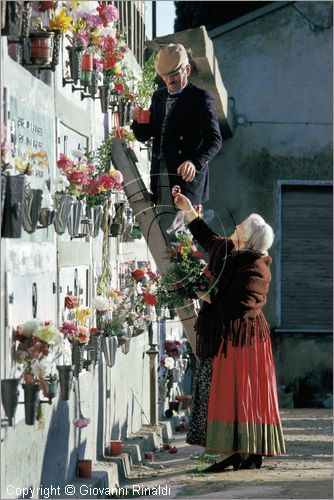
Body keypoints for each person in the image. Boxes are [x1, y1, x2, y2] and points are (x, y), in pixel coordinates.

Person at [172, 186, 286, 472]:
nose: (236, 225)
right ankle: (236, 452)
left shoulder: (256, 268)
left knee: (235, 394)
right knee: (222, 392)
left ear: (246, 237)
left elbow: (239, 303)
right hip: (225, 337)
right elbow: (206, 237)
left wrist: (202, 291)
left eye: (241, 225)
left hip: (242, 341)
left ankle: (238, 451)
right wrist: (187, 208)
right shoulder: (227, 251)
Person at [131, 43, 222, 243]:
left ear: (187, 70)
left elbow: (214, 140)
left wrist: (194, 161)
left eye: (173, 74)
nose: (169, 80)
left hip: (184, 178)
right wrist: (139, 122)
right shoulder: (159, 96)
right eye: (164, 75)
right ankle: (172, 273)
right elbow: (146, 135)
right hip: (161, 173)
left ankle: (174, 273)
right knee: (165, 232)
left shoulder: (201, 98)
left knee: (173, 236)